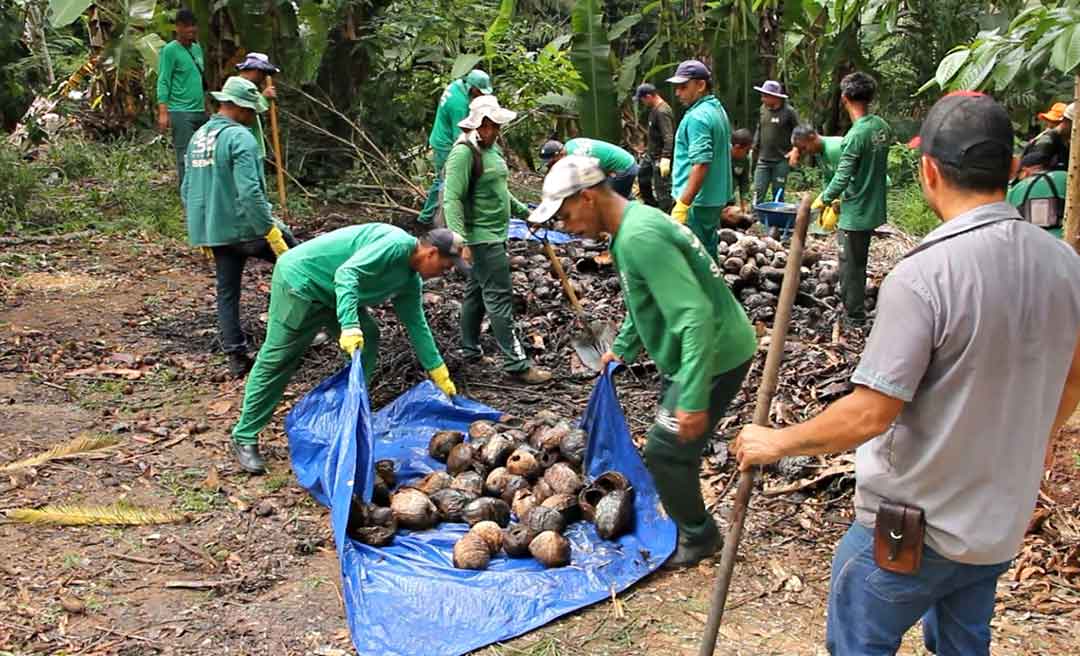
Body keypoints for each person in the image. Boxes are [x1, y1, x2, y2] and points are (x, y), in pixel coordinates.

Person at [734, 91, 1080, 656]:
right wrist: (1038, 437)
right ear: (1013, 169)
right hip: (996, 525)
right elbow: (1074, 377)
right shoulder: (1066, 265)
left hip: (911, 532)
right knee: (964, 645)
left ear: (928, 170)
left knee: (860, 643)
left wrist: (777, 441)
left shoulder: (925, 274)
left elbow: (872, 411)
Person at [528, 155, 756, 567]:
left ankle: (700, 535)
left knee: (666, 451)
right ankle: (694, 521)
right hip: (705, 347)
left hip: (716, 350)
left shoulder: (639, 237)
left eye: (565, 213)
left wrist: (692, 392)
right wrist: (626, 346)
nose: (565, 226)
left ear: (588, 197)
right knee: (674, 446)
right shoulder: (628, 229)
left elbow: (694, 315)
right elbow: (642, 300)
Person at [229, 224, 465, 473]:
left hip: (334, 294)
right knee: (278, 359)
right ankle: (245, 435)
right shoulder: (395, 245)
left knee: (370, 337)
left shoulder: (409, 280)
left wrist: (438, 371)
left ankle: (348, 416)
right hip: (302, 283)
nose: (444, 274)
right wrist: (351, 326)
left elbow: (417, 325)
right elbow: (347, 274)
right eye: (445, 266)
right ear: (430, 253)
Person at [443, 95, 551, 384]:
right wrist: (459, 239)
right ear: (479, 124)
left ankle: (470, 350)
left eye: (497, 126)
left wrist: (525, 213)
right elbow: (451, 198)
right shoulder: (464, 152)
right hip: (481, 238)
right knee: (500, 298)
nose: (494, 131)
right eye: (489, 125)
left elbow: (501, 190)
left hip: (496, 232)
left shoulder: (492, 150)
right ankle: (516, 364)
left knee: (476, 292)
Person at [183, 77, 282, 379]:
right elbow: (250, 193)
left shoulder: (199, 137)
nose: (253, 117)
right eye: (252, 110)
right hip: (246, 227)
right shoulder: (241, 138)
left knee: (227, 292)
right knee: (303, 267)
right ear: (238, 107)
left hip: (214, 230)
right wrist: (270, 230)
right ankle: (309, 333)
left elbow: (187, 188)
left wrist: (199, 229)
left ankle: (236, 358)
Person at [811, 72, 891, 326]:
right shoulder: (881, 127)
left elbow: (842, 176)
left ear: (845, 98)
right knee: (860, 260)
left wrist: (823, 199)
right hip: (874, 207)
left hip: (855, 212)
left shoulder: (855, 136)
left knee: (850, 266)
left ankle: (854, 317)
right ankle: (856, 308)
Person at [668, 60, 733, 262]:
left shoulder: (697, 117)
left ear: (701, 85)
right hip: (714, 196)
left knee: (693, 255)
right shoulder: (716, 109)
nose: (678, 93)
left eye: (683, 87)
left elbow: (701, 164)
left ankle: (702, 292)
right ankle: (715, 290)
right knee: (707, 246)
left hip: (698, 199)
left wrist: (683, 204)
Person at [418, 70, 494, 225]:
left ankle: (425, 215)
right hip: (445, 143)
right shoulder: (459, 104)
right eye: (479, 92)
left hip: (440, 136)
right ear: (472, 88)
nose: (481, 95)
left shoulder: (457, 85)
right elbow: (460, 135)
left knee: (441, 178)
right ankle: (433, 219)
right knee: (447, 180)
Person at [157, 8, 208, 191]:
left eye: (193, 26)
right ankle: (187, 193)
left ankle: (201, 190)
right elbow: (163, 80)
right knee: (185, 155)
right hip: (180, 111)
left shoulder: (196, 48)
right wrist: (163, 112)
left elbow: (199, 79)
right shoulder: (170, 51)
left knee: (203, 153)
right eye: (186, 26)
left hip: (200, 110)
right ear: (178, 27)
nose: (191, 30)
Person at [538, 138, 639, 199]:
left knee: (606, 199)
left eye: (552, 162)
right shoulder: (570, 144)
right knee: (622, 195)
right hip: (625, 161)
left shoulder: (575, 160)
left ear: (559, 154)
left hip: (624, 168)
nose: (552, 165)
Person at [751, 80, 799, 204]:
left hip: (781, 160)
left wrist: (795, 150)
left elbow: (799, 131)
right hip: (763, 159)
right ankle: (754, 218)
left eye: (765, 96)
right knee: (758, 190)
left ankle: (777, 219)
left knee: (778, 192)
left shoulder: (789, 112)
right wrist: (754, 148)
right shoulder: (763, 109)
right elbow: (759, 128)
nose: (762, 99)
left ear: (775, 97)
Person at [1007, 150, 1067, 238]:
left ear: (1025, 171)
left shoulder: (1015, 189)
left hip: (1031, 244)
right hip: (1069, 242)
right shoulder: (1066, 177)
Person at [232, 53, 281, 162]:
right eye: (264, 74)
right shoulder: (239, 85)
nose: (264, 78)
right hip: (242, 147)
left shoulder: (249, 86)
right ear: (257, 71)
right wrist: (264, 97)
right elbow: (251, 108)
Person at [634, 83, 675, 211]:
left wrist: (666, 157)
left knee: (662, 190)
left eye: (642, 100)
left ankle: (667, 215)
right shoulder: (654, 109)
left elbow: (668, 136)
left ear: (648, 96)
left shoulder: (662, 112)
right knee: (643, 178)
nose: (642, 103)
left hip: (660, 157)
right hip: (651, 155)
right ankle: (652, 207)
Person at [1022, 101, 1073, 171]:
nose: (1049, 125)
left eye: (1054, 122)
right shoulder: (1048, 139)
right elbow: (1030, 164)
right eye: (1049, 121)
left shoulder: (1065, 143)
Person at [730, 128, 753, 211]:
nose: (747, 153)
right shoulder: (723, 156)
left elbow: (744, 182)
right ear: (737, 147)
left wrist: (744, 203)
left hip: (730, 199)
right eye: (746, 150)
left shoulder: (745, 160)